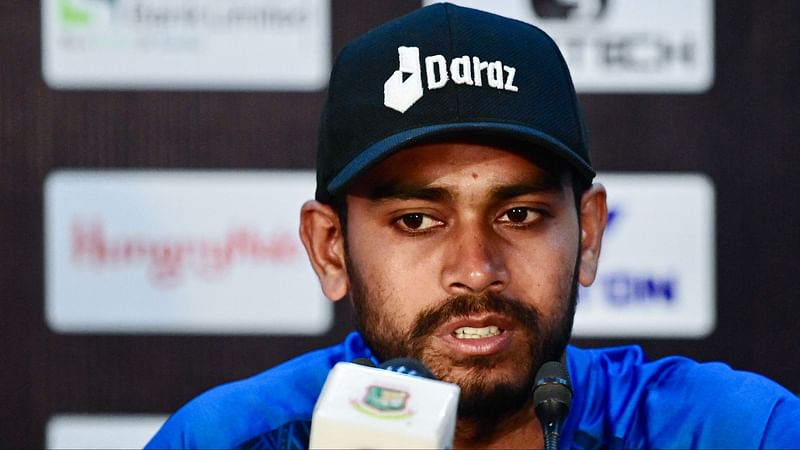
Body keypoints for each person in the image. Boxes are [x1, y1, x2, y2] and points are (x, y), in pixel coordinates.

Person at [145, 3, 799, 449]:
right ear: (330, 248)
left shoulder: (734, 431)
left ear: (590, 233)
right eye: (417, 220)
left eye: (518, 215)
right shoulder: (229, 439)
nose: (476, 268)